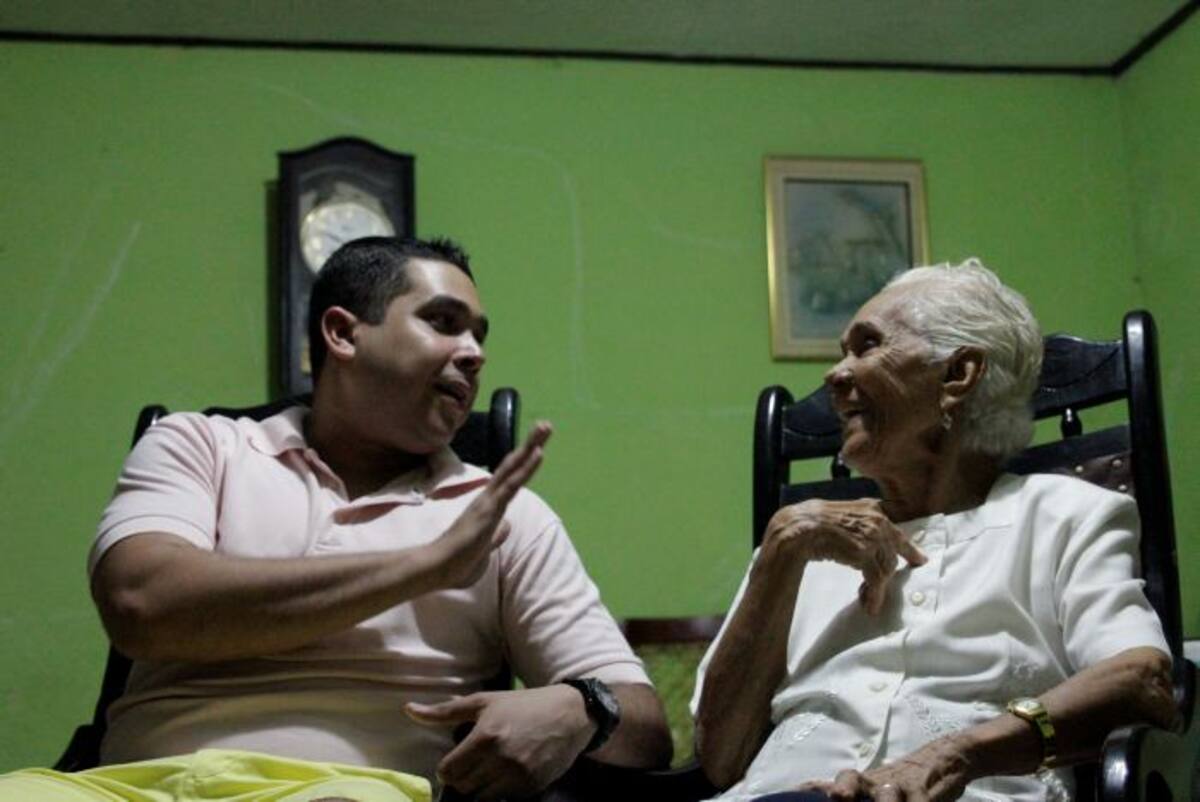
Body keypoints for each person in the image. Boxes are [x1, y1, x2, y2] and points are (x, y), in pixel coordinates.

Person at [2, 236, 671, 802]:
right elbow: (141, 603)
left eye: (479, 335)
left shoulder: (501, 514)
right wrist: (423, 566)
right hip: (122, 787)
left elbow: (646, 726)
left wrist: (585, 707)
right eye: (443, 322)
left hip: (346, 789)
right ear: (343, 332)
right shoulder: (200, 447)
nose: (474, 352)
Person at [693, 259, 1177, 802]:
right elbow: (720, 760)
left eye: (867, 346)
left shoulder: (1064, 515)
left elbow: (1142, 682)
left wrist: (955, 756)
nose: (835, 375)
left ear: (957, 376)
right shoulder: (804, 540)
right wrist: (780, 548)